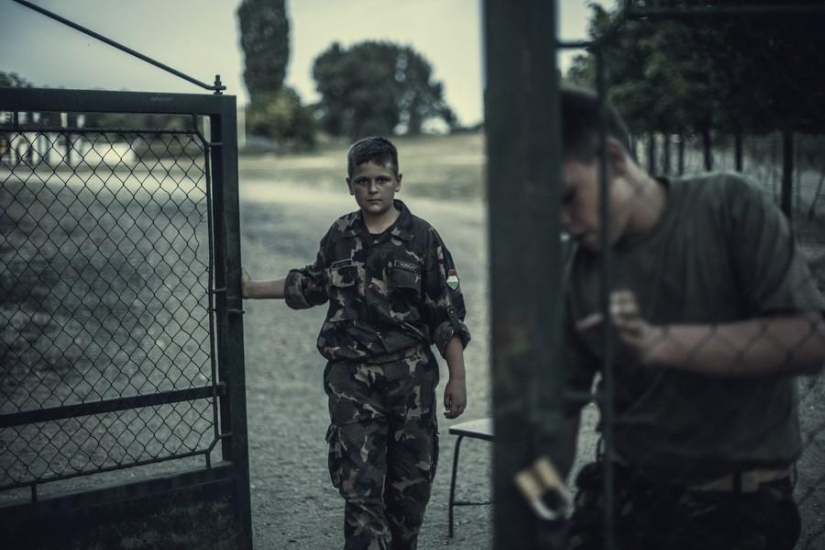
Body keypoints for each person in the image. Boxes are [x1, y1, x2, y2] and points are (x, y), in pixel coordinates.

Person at [557, 86, 825, 550]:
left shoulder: (727, 205)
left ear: (614, 160)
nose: (562, 220)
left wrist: (660, 343)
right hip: (621, 495)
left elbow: (810, 339)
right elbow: (559, 411)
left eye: (568, 196)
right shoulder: (572, 266)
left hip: (736, 509)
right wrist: (537, 502)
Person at [241, 136, 471, 550]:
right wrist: (252, 289)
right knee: (360, 491)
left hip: (410, 381)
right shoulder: (340, 235)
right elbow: (310, 285)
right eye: (363, 180)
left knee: (408, 493)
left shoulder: (422, 238)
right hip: (351, 382)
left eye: (382, 179)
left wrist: (458, 377)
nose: (373, 188)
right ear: (350, 184)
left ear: (398, 181)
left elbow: (446, 314)